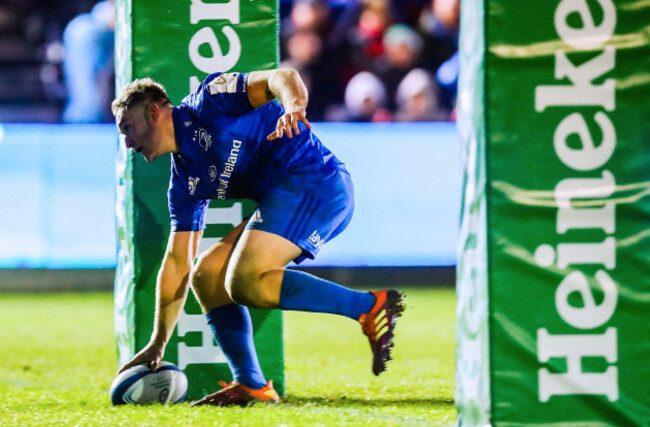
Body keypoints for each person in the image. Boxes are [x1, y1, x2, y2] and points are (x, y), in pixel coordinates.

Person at [112, 68, 405, 406]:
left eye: (128, 129)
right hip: (287, 194)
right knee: (207, 274)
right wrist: (158, 343)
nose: (128, 144)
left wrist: (295, 106)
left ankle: (370, 307)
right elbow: (179, 262)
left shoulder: (210, 100)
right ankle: (251, 385)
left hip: (318, 182)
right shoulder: (183, 182)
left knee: (245, 280)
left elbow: (283, 76)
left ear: (153, 112)